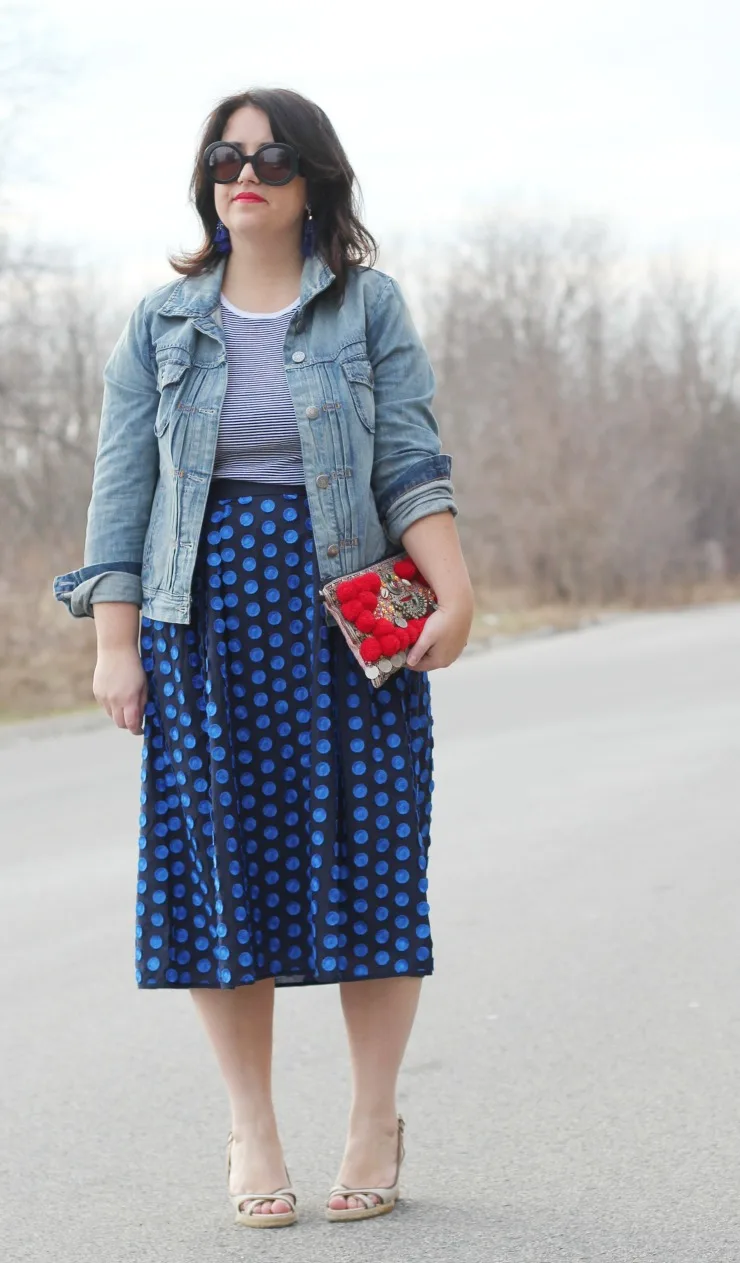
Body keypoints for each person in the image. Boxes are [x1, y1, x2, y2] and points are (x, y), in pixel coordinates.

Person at [53, 87, 474, 1228]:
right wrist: (116, 645)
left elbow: (403, 454)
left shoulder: (366, 306)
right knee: (219, 876)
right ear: (207, 179)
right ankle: (251, 1131)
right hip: (204, 626)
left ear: (312, 181)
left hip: (353, 619)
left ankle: (372, 1120)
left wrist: (456, 581)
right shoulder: (160, 323)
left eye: (272, 156)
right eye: (226, 156)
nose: (247, 173)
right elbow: (122, 493)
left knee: (373, 858)